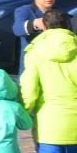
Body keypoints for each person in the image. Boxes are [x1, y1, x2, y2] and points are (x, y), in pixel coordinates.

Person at [19, 8, 77, 152]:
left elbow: (29, 90)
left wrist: (21, 113)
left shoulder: (35, 53)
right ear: (68, 25)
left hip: (48, 129)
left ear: (44, 27)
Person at [13, 0, 58, 74]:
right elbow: (17, 29)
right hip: (32, 68)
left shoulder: (60, 13)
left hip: (54, 68)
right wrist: (34, 23)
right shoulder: (24, 10)